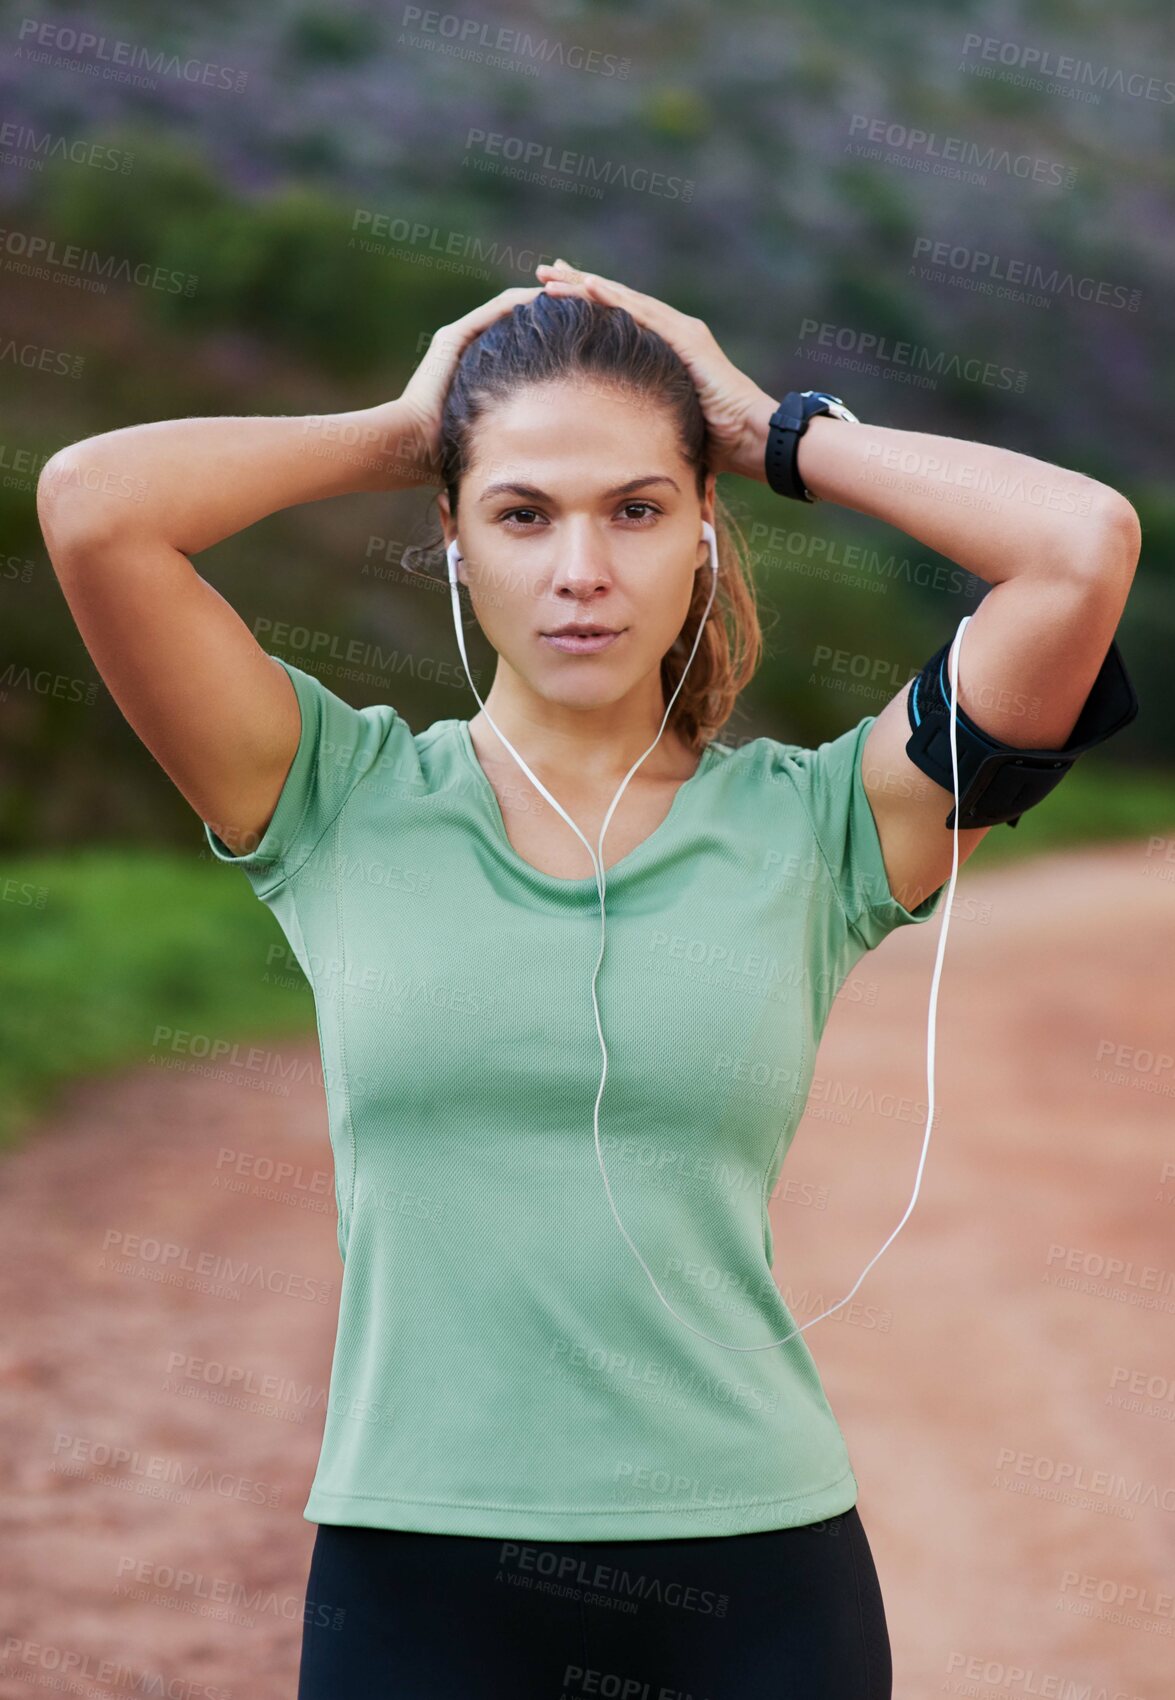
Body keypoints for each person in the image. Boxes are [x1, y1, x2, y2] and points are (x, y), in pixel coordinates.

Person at [36, 261, 1139, 1699]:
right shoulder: (329, 797)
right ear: (450, 534)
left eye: (635, 508)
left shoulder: (825, 825)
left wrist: (770, 428)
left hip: (755, 1574)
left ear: (701, 530)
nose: (580, 571)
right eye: (519, 513)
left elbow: (1080, 545)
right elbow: (91, 507)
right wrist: (400, 426)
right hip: (415, 1568)